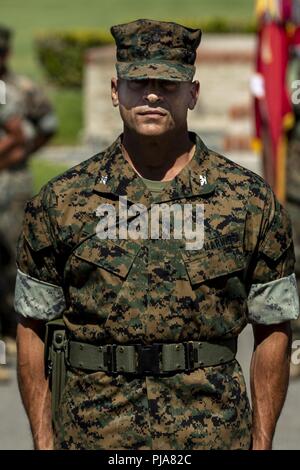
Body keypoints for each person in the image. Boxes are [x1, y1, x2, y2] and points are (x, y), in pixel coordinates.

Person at [15, 19, 299, 450]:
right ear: (115, 91)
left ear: (192, 93)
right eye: (138, 81)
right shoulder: (62, 201)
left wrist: (261, 443)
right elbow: (32, 325)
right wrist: (42, 439)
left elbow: (273, 327)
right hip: (94, 434)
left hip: (211, 433)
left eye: (167, 83)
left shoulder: (248, 201)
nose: (152, 94)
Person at [0, 24, 57, 369]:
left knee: (13, 257)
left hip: (12, 183)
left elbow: (36, 129)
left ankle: (15, 330)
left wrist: (22, 153)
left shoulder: (18, 90)